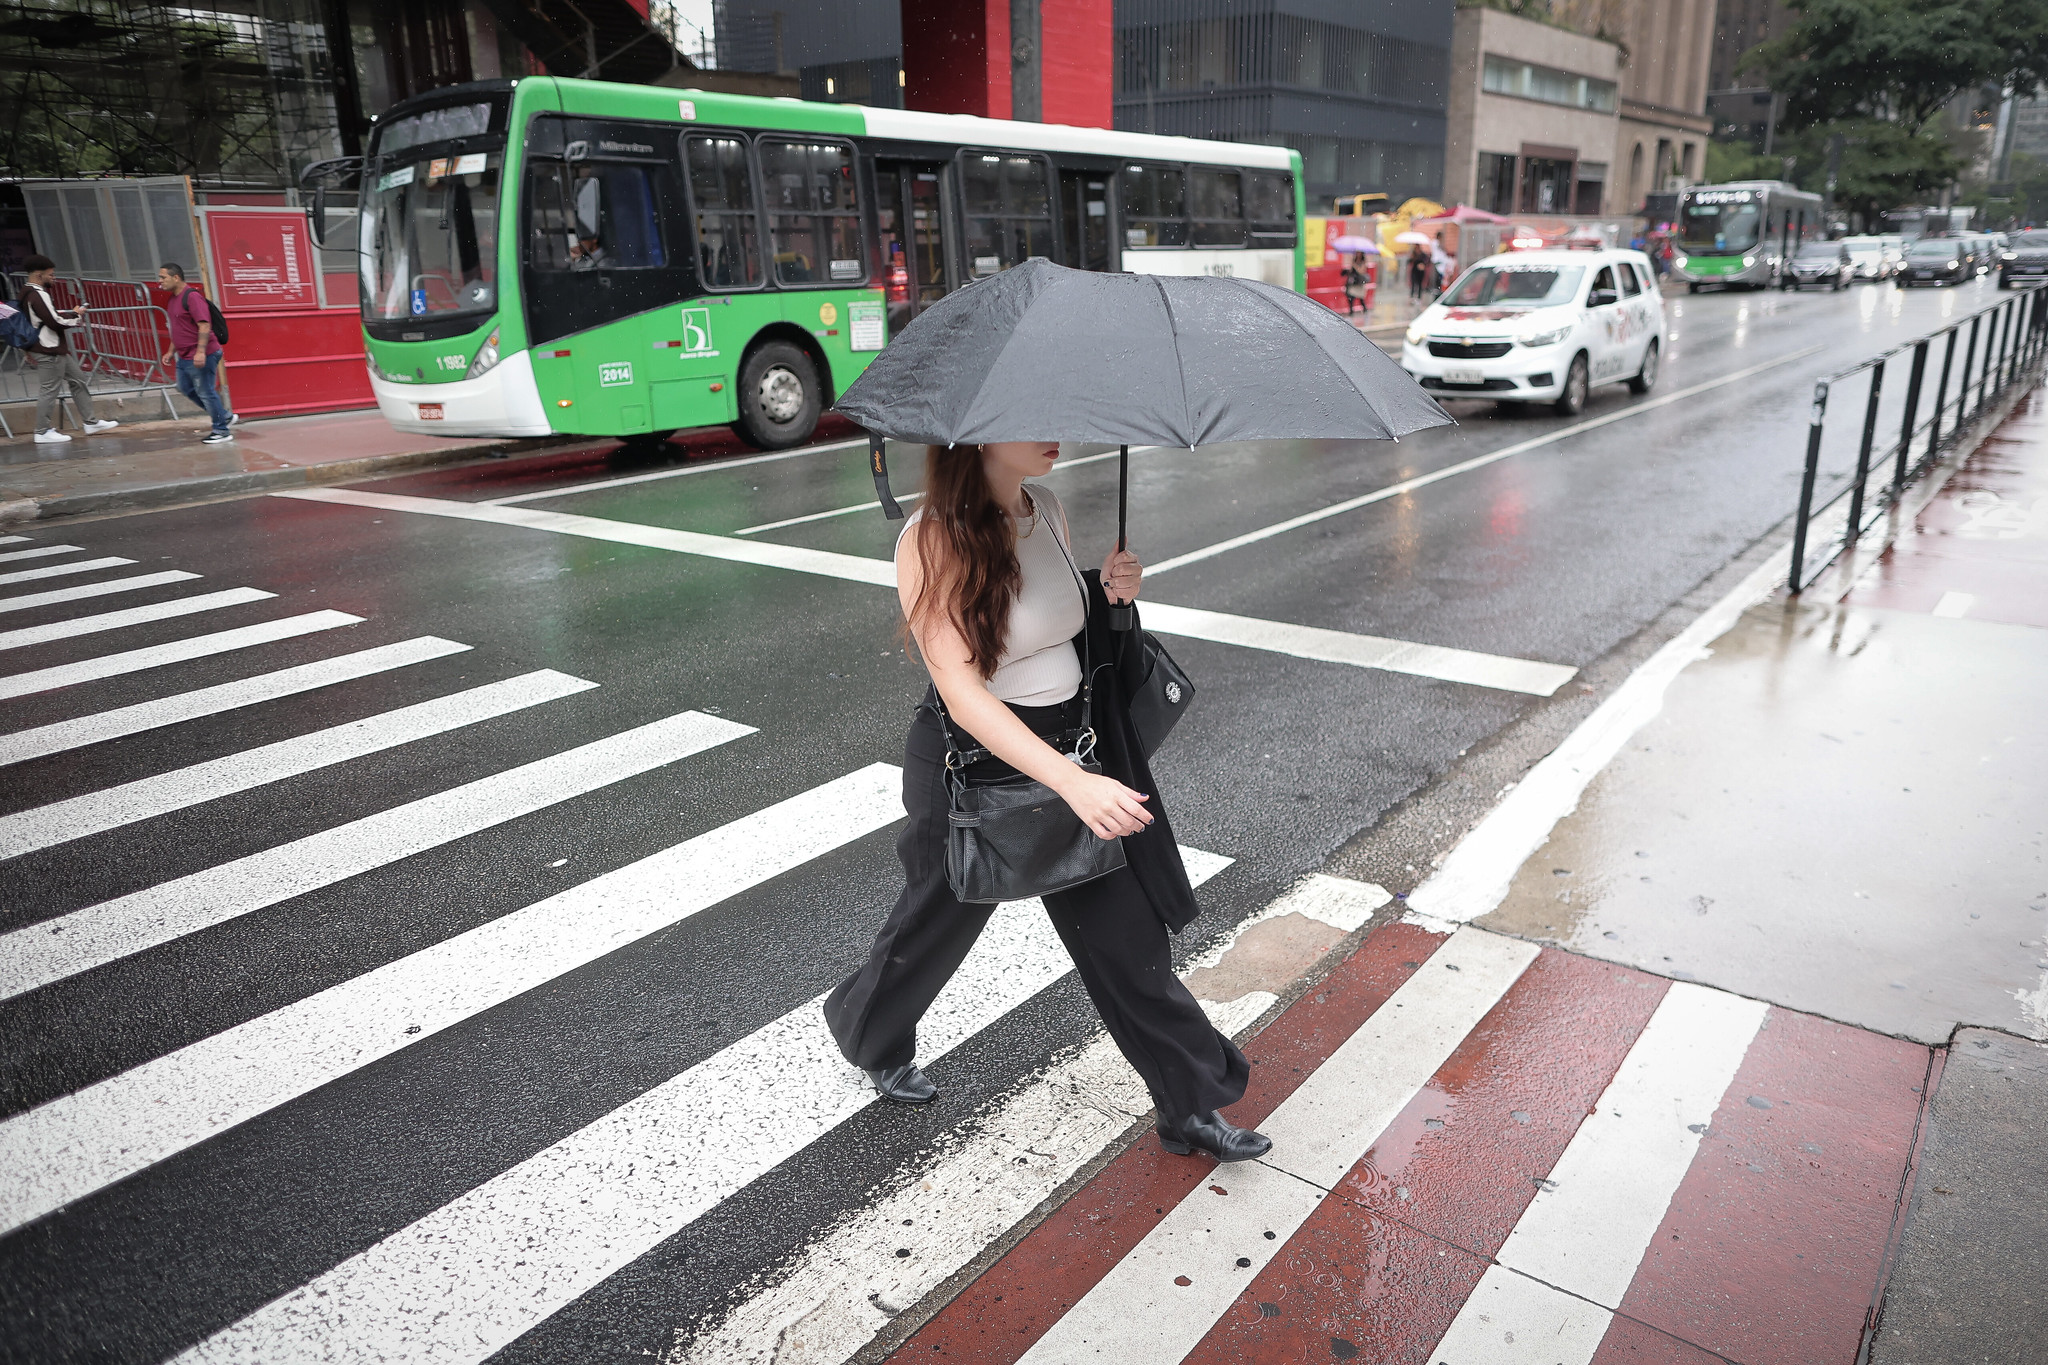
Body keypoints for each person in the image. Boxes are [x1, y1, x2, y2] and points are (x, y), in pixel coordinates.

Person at [823, 441, 1270, 1163]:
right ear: (979, 429)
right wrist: (1069, 781)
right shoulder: (929, 538)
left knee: (1126, 939)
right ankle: (870, 1031)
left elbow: (1055, 625)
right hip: (970, 764)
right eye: (1032, 418)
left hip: (1073, 750)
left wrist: (1108, 592)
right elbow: (963, 692)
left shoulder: (1047, 509)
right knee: (933, 922)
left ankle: (1190, 1105)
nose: (1055, 430)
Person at [20, 255, 119, 445]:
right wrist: (76, 316)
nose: (54, 278)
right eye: (51, 274)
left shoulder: (26, 292)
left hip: (49, 347)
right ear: (39, 275)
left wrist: (71, 314)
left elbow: (44, 318)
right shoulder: (38, 294)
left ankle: (91, 422)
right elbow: (54, 321)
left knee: (78, 380)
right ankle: (41, 432)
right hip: (48, 348)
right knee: (49, 390)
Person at [157, 263, 235, 443]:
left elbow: (204, 325)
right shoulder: (172, 299)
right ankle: (223, 416)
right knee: (184, 388)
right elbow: (178, 329)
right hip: (185, 355)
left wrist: (200, 352)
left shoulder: (192, 297)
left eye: (163, 277)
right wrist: (170, 351)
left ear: (176, 277)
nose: (160, 281)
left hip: (203, 353)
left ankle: (221, 430)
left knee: (206, 391)